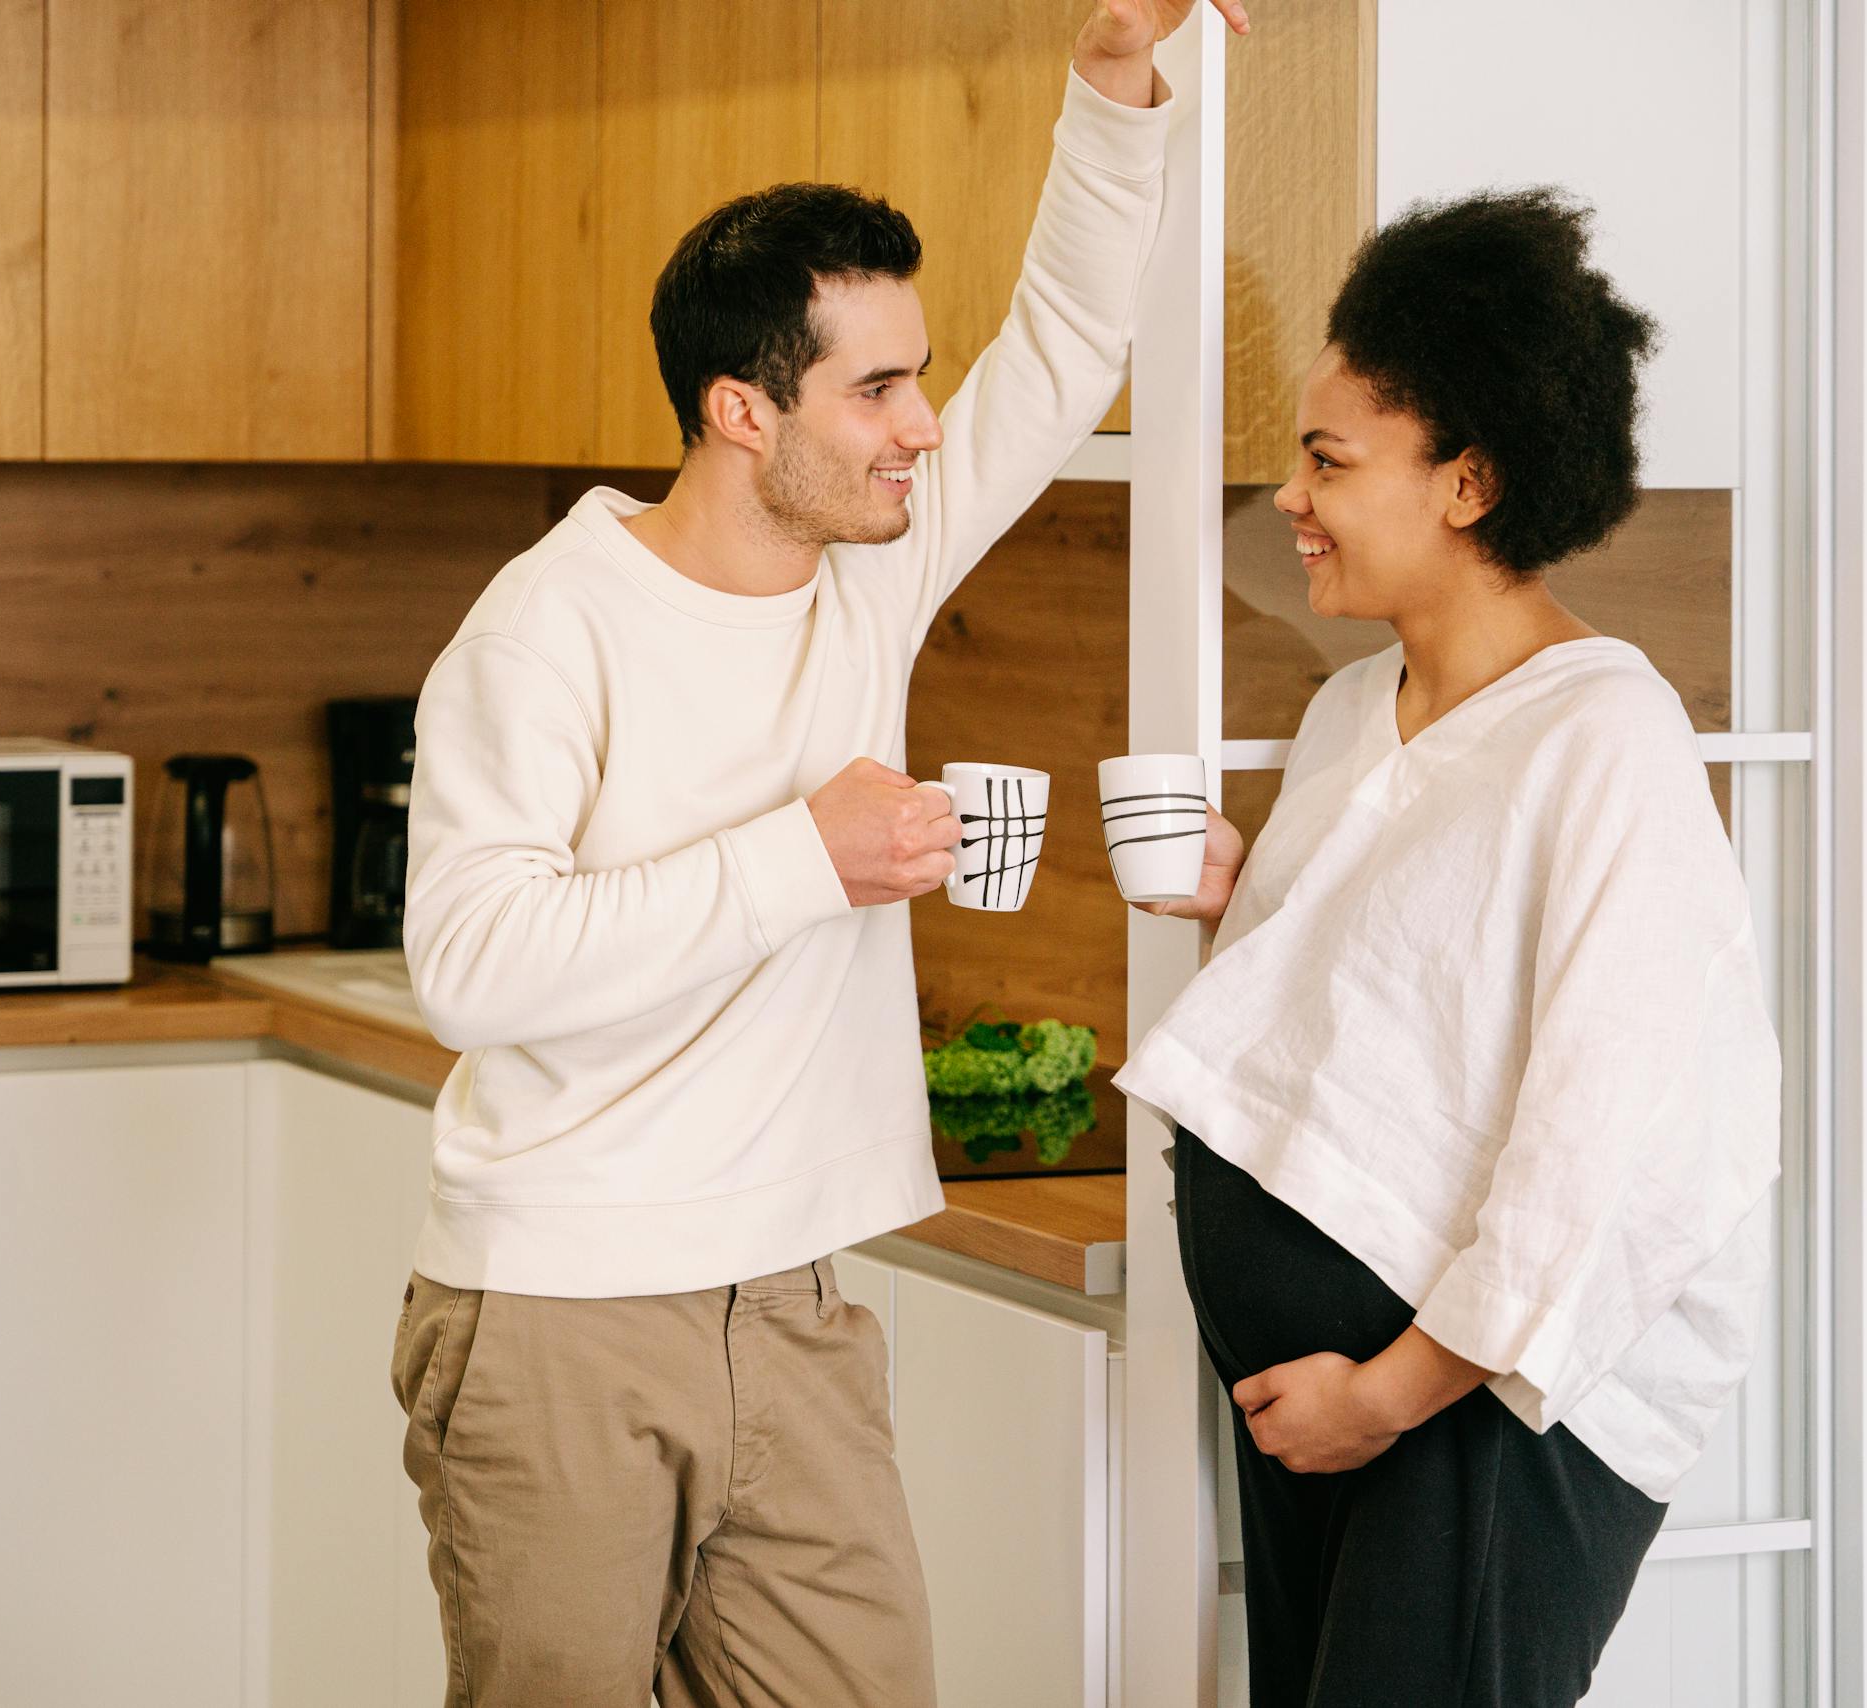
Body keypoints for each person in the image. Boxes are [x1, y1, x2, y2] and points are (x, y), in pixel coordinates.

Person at [391, 4, 1252, 1703]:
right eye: (877, 388)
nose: (922, 426)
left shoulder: (872, 563)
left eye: (918, 376)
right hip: (562, 1311)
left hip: (791, 1303)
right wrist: (808, 855)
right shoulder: (548, 630)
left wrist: (1114, 83)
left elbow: (1071, 338)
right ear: (741, 409)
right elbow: (468, 967)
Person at [1115, 188, 1783, 1706]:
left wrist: (1393, 1390)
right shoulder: (1358, 710)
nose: (1291, 495)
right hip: (1339, 1395)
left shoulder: (1606, 733)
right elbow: (1418, 983)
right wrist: (1256, 898)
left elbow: (1597, 1130)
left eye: (1329, 460)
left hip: (1478, 1405)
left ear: (1470, 481)